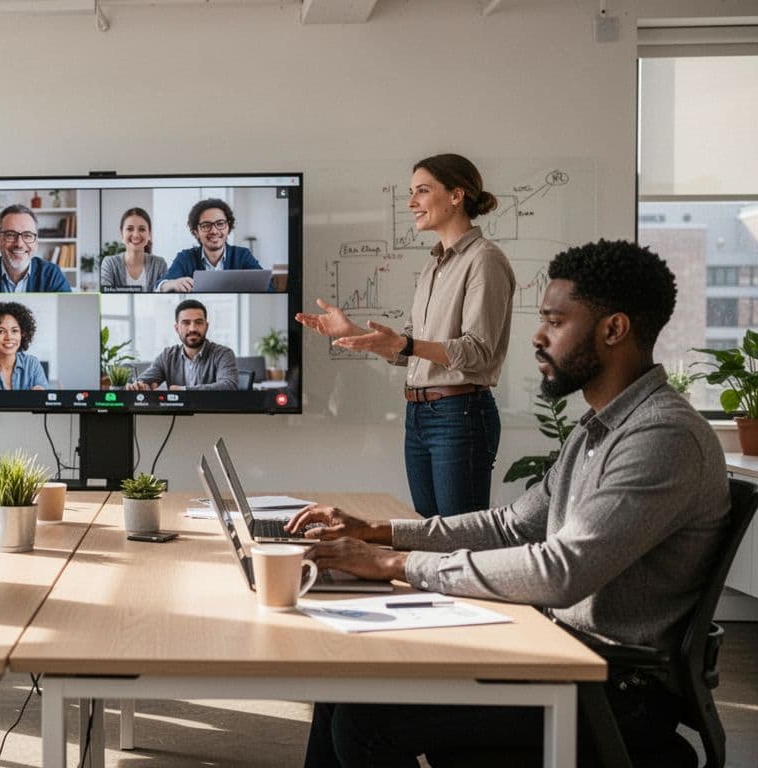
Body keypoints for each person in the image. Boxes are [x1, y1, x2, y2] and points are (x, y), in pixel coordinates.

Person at [287, 240, 730, 767]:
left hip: (614, 685)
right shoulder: (600, 428)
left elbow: (562, 570)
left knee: (369, 725)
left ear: (614, 329)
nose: (538, 337)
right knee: (347, 681)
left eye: (556, 322)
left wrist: (395, 564)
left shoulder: (662, 436)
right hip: (558, 650)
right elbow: (512, 524)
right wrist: (377, 530)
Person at [297, 154, 514, 518]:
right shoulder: (434, 264)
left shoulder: (484, 260)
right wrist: (353, 333)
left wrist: (408, 345)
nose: (411, 203)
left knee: (458, 539)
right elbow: (413, 347)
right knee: (428, 533)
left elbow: (478, 352)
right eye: (411, 192)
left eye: (423, 191)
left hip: (459, 414)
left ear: (456, 195)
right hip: (419, 414)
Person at [127, 299, 239, 391]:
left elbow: (229, 386)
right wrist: (140, 385)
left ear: (206, 326)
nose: (193, 328)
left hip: (211, 416)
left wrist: (184, 390)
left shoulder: (223, 354)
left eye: (199, 322)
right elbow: (143, 380)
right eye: (186, 323)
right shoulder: (167, 356)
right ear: (177, 328)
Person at [156, 198, 263, 293]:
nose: (214, 231)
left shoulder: (242, 255)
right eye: (206, 226)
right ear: (196, 231)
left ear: (228, 227)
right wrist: (171, 284)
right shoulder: (185, 257)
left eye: (220, 224)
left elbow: (267, 286)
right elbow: (161, 284)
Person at [0, 204, 72, 292]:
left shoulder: (52, 274)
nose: (19, 244)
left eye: (27, 235)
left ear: (36, 243)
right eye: (10, 235)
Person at [100, 207, 168, 291]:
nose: (136, 235)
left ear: (149, 234)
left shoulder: (159, 264)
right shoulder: (110, 263)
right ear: (122, 233)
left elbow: (164, 289)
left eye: (142, 229)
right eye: (130, 229)